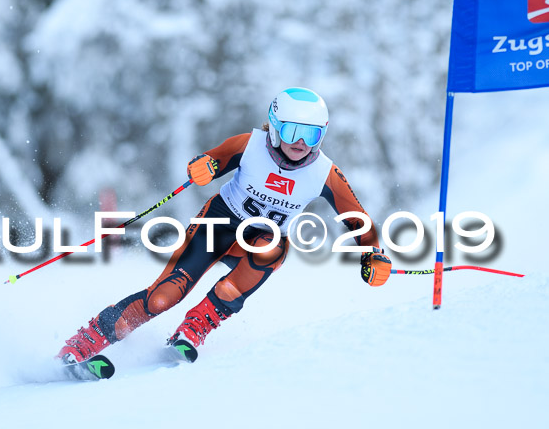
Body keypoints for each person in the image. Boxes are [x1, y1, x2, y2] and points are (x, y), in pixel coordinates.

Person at [57, 87, 392, 365]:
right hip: (218, 224)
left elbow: (357, 218)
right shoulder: (250, 146)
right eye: (292, 131)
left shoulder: (324, 173)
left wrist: (373, 253)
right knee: (164, 295)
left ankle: (194, 328)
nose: (300, 142)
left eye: (312, 134)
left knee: (272, 250)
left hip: (261, 240)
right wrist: (202, 167)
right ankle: (84, 343)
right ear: (274, 126)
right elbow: (210, 160)